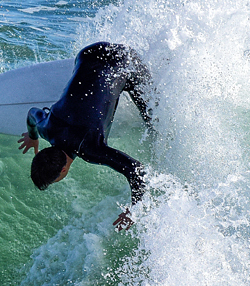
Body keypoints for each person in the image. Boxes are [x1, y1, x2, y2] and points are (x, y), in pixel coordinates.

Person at [18, 42, 155, 231]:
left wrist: (135, 209)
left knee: (154, 121)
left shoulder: (90, 148)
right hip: (87, 53)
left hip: (125, 61)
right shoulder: (46, 128)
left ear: (64, 170)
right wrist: (33, 136)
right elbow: (32, 113)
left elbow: (136, 170)